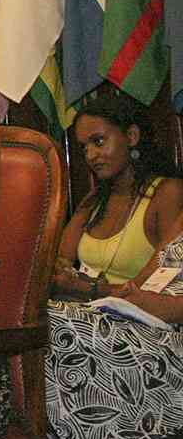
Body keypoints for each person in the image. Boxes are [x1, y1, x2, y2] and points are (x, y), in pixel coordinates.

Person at [45, 219, 183, 439]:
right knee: (48, 316)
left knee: (58, 325)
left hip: (173, 339)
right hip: (144, 320)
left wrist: (151, 304)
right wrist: (127, 295)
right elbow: (141, 281)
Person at [51, 91, 183, 300]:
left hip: (140, 323)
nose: (91, 155)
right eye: (84, 148)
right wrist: (63, 274)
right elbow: (59, 261)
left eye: (99, 141)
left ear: (131, 136)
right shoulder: (94, 200)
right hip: (84, 314)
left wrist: (89, 289)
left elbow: (164, 282)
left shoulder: (167, 193)